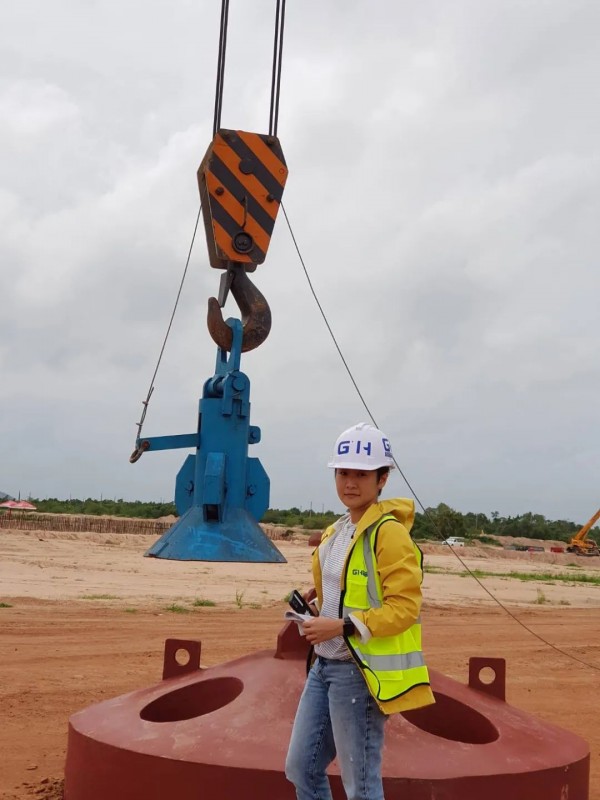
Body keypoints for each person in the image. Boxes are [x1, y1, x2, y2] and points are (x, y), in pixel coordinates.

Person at [285, 422, 435, 800]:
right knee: (302, 768)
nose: (350, 482)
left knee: (361, 785)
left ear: (382, 479)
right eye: (344, 473)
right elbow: (353, 581)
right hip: (324, 666)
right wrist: (321, 594)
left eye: (362, 474)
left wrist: (341, 626)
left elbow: (404, 608)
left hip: (358, 673)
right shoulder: (337, 530)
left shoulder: (389, 533)